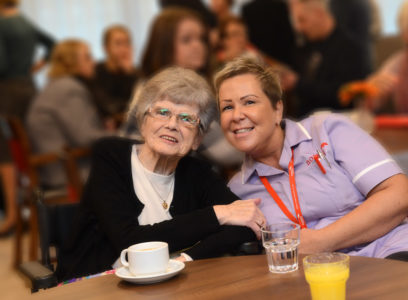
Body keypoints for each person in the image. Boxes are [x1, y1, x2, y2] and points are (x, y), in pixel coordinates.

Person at [214, 57, 408, 271]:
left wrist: (320, 241)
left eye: (249, 102)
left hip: (390, 249)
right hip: (316, 280)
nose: (237, 115)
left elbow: (401, 195)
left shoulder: (327, 130)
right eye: (227, 107)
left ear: (278, 109)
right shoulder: (238, 192)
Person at [55, 66, 265, 281]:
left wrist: (186, 258)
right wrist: (219, 214)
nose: (172, 125)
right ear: (143, 122)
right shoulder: (110, 156)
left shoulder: (197, 173)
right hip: (97, 285)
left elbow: (246, 226)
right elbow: (129, 241)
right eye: (163, 112)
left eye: (186, 119)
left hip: (169, 286)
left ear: (197, 140)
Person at [130, 7, 242, 168]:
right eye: (187, 40)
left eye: (201, 39)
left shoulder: (155, 82)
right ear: (164, 46)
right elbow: (225, 152)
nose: (198, 46)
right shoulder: (172, 93)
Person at [26, 40, 114, 189]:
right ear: (71, 63)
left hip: (55, 169)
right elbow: (84, 138)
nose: (93, 62)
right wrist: (121, 136)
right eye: (87, 57)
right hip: (69, 171)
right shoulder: (69, 89)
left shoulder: (56, 85)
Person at [0, 0, 54, 235]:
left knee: (6, 153)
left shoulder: (1, 25)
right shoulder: (25, 23)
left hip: (7, 92)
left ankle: (12, 215)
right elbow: (52, 45)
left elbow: (1, 64)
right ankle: (37, 212)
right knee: (30, 149)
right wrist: (35, 67)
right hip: (29, 89)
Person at [288, 0, 370, 116]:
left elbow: (344, 94)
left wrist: (298, 84)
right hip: (305, 121)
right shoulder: (306, 47)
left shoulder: (349, 48)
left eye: (302, 20)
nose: (299, 28)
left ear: (319, 14)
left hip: (337, 122)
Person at [94, 25, 138, 117]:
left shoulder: (136, 73)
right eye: (118, 43)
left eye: (127, 43)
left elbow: (140, 104)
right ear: (106, 48)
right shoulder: (96, 72)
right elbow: (107, 106)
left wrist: (129, 74)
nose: (124, 49)